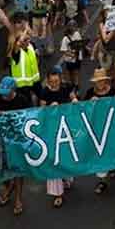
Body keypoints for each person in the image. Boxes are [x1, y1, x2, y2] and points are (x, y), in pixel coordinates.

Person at [0, 77, 31, 214]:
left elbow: (30, 118)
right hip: (1, 142)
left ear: (14, 90)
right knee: (2, 169)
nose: (4, 96)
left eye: (7, 93)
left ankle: (18, 198)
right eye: (2, 93)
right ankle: (8, 186)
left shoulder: (22, 100)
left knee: (18, 171)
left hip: (17, 142)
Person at [39, 66, 78, 207]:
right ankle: (57, 193)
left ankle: (66, 179)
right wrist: (50, 108)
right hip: (52, 130)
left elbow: (74, 100)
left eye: (57, 81)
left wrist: (74, 101)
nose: (55, 83)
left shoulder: (67, 87)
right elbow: (41, 111)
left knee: (66, 155)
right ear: (48, 81)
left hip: (67, 128)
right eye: (52, 81)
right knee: (54, 159)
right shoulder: (44, 92)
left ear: (60, 79)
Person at [84, 69, 115, 194]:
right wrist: (89, 104)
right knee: (100, 154)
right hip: (97, 129)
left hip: (112, 127)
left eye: (102, 80)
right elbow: (82, 111)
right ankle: (102, 181)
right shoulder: (89, 93)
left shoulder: (113, 91)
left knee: (112, 150)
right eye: (98, 81)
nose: (100, 83)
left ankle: (113, 168)